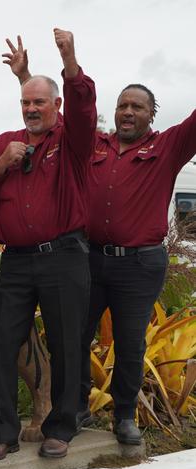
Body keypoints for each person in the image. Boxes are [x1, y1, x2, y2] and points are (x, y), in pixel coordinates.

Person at [0, 30, 96, 460]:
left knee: (65, 343)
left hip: (64, 256)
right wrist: (3, 164)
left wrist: (70, 60)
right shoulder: (1, 146)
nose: (31, 109)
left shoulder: (72, 143)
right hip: (17, 262)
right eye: (25, 102)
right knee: (3, 343)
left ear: (55, 106)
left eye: (39, 102)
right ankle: (0, 434)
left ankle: (60, 427)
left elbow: (82, 108)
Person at [77, 87, 196, 444]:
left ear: (151, 115)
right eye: (123, 105)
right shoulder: (96, 146)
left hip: (140, 264)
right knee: (76, 337)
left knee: (130, 343)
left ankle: (124, 415)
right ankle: (77, 406)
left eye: (137, 107)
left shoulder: (168, 147)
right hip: (90, 259)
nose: (128, 112)